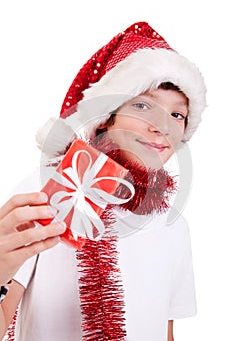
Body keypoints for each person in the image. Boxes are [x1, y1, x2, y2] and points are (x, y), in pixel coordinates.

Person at [0, 21, 206, 341]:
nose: (162, 125)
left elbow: (164, 331)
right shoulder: (49, 190)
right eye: (142, 105)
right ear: (107, 117)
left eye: (177, 115)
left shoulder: (173, 225)